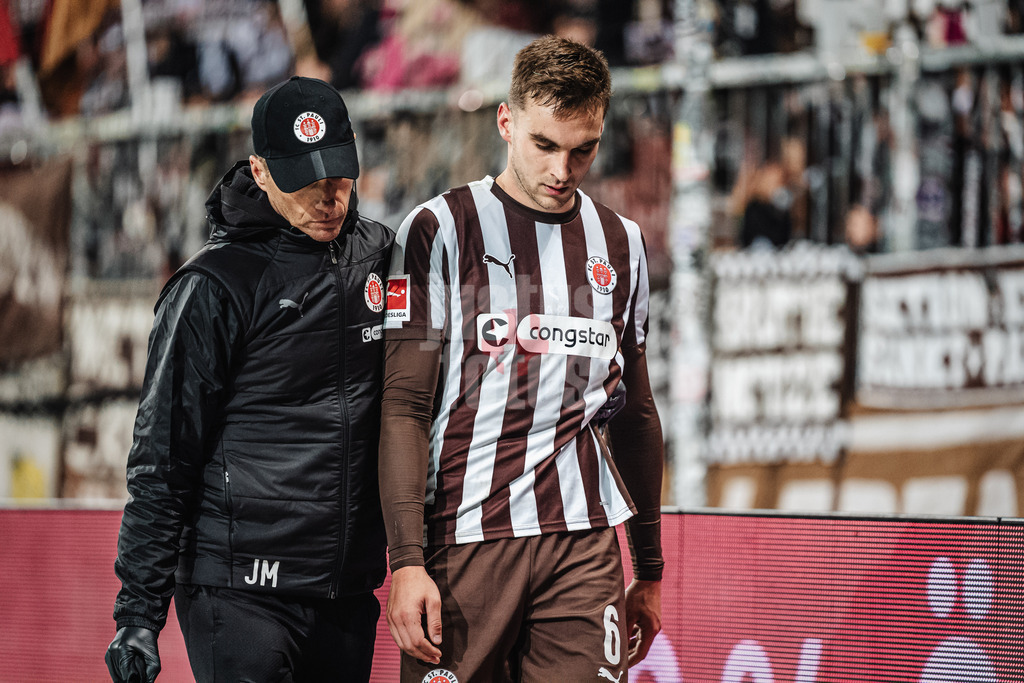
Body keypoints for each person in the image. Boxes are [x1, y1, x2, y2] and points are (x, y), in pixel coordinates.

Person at [379, 35, 665, 682]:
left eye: (583, 148)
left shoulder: (622, 243)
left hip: (585, 545)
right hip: (463, 541)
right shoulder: (437, 230)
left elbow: (636, 410)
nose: (563, 169)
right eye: (544, 145)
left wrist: (649, 566)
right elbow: (402, 407)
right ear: (506, 123)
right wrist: (405, 560)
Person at [105, 76, 394, 683]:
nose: (329, 200)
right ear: (260, 173)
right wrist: (138, 613)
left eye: (340, 179)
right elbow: (162, 454)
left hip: (346, 590)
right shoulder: (212, 286)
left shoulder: (383, 255)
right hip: (238, 592)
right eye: (307, 184)